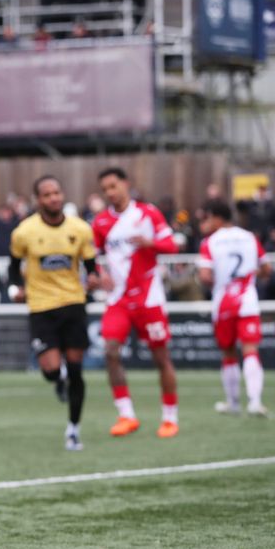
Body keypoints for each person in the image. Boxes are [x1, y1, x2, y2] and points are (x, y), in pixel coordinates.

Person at [9, 176, 99, 451]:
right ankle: (57, 378)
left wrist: (95, 278)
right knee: (49, 370)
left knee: (76, 369)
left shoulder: (80, 229)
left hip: (73, 303)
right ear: (38, 200)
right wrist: (15, 289)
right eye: (47, 194)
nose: (54, 198)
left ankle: (73, 430)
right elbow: (13, 268)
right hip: (41, 307)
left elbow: (91, 265)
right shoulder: (24, 232)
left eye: (57, 192)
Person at [92, 167, 180, 438]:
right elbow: (92, 256)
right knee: (110, 351)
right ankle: (126, 415)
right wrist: (99, 274)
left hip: (148, 298)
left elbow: (171, 246)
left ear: (126, 184)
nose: (110, 192)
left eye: (113, 186)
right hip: (118, 299)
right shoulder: (101, 222)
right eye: (105, 189)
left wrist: (149, 242)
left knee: (160, 357)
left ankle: (170, 418)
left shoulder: (147, 213)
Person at [197, 200, 270, 417]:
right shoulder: (249, 237)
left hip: (224, 303)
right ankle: (255, 402)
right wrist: (252, 277)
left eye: (208, 218)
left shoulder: (210, 242)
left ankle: (233, 402)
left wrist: (217, 283)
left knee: (228, 352)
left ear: (216, 217)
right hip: (247, 300)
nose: (206, 223)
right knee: (250, 350)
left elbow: (205, 276)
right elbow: (266, 268)